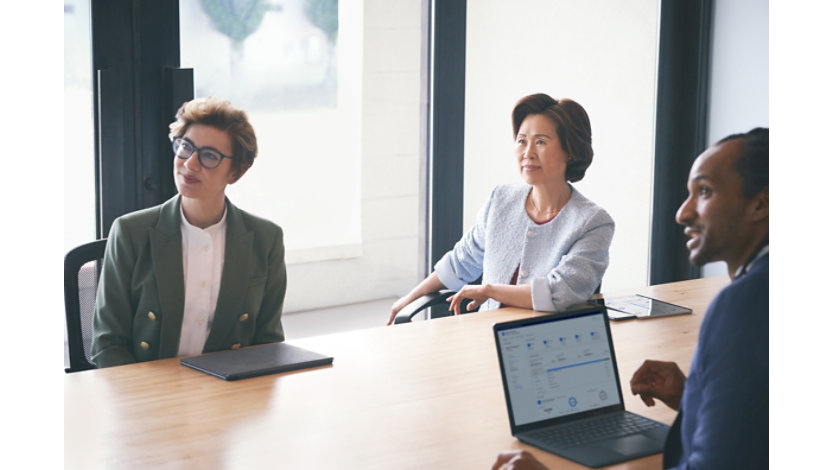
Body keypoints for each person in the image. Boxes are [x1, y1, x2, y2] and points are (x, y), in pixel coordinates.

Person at [492, 127, 769, 469]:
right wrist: (694, 396)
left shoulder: (743, 305)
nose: (683, 213)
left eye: (705, 192)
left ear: (761, 203)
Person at [91, 96, 287, 368]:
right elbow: (108, 344)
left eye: (209, 156)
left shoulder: (266, 240)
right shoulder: (130, 232)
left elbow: (268, 345)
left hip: (227, 386)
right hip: (147, 387)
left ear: (236, 172)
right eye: (185, 147)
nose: (190, 164)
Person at [386, 93, 614, 325]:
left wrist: (490, 290)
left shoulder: (593, 222)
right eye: (522, 141)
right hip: (487, 334)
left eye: (541, 142)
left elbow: (559, 293)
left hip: (546, 340)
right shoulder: (501, 200)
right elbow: (460, 263)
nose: (528, 153)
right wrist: (408, 300)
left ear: (571, 150)